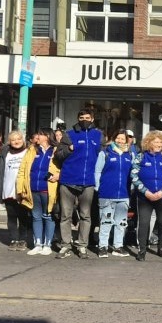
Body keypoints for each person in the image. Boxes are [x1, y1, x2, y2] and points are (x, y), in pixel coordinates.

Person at [55, 108, 103, 260]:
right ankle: (65, 245)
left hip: (88, 181)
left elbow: (101, 156)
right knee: (65, 216)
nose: (84, 119)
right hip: (68, 180)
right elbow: (58, 155)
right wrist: (69, 149)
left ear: (92, 119)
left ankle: (82, 245)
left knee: (86, 216)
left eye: (87, 117)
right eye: (81, 117)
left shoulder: (98, 135)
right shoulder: (69, 134)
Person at [131, 131, 162, 262]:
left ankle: (161, 248)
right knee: (144, 223)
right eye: (155, 142)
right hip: (145, 197)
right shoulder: (140, 157)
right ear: (148, 142)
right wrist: (146, 192)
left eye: (160, 142)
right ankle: (142, 250)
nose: (158, 144)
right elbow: (134, 176)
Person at [17, 128, 60, 256]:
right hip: (33, 189)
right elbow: (22, 170)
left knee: (48, 216)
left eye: (40, 135)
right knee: (36, 217)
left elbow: (66, 167)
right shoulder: (31, 150)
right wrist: (20, 188)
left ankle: (47, 244)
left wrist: (58, 176)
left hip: (48, 189)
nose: (37, 137)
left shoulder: (56, 151)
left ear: (47, 137)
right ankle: (37, 244)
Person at [95, 129, 134, 258]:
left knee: (121, 223)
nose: (120, 141)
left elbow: (133, 174)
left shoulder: (130, 155)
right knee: (106, 222)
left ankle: (117, 246)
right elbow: (97, 172)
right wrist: (98, 187)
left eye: (123, 139)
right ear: (113, 138)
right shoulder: (105, 153)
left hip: (124, 194)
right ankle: (103, 247)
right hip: (107, 193)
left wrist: (132, 187)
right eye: (118, 138)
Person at [0, 130, 30, 251]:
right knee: (11, 216)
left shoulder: (28, 152)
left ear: (23, 139)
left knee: (23, 216)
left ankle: (23, 239)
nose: (16, 141)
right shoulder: (4, 153)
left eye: (18, 139)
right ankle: (14, 239)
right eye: (13, 140)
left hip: (22, 190)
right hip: (7, 189)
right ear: (9, 142)